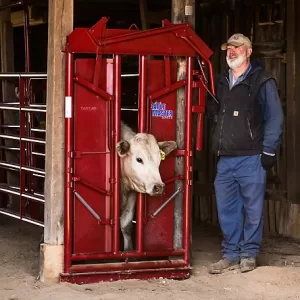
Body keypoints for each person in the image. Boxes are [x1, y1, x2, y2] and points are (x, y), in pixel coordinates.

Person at [206, 33, 284, 274]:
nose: (231, 51)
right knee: (227, 208)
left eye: (237, 48)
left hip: (251, 157)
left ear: (248, 52)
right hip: (226, 157)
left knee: (252, 208)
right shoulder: (220, 81)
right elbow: (215, 114)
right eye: (229, 48)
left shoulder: (262, 80)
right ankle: (230, 253)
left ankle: (248, 254)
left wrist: (269, 149)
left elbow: (275, 118)